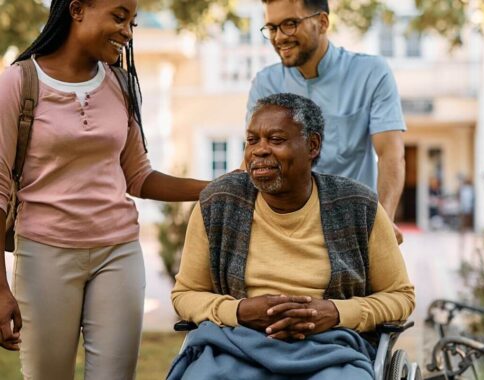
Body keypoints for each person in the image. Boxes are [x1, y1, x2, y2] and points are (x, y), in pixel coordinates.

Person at [0, 0, 209, 378]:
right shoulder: (18, 82)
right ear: (77, 9)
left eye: (132, 22)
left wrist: (215, 187)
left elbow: (139, 176)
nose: (127, 32)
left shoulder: (120, 84)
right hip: (45, 255)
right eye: (119, 17)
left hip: (119, 254)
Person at [167, 93, 414, 380]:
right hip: (234, 345)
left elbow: (401, 296)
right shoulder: (218, 203)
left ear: (312, 145)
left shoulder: (358, 206)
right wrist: (240, 311)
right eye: (252, 140)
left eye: (275, 140)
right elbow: (185, 295)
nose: (259, 150)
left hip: (331, 350)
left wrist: (335, 312)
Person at [247, 0, 406, 243]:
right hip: (285, 233)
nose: (279, 37)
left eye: (290, 24)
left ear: (322, 23)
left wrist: (383, 223)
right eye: (272, 28)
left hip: (353, 229)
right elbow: (255, 160)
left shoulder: (372, 73)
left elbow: (391, 155)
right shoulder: (264, 84)